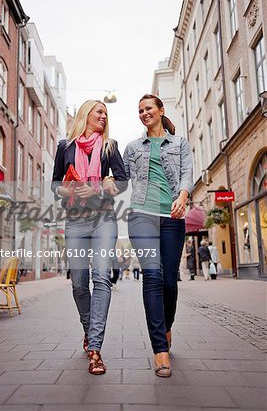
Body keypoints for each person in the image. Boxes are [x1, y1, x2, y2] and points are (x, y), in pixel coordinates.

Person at [51, 99, 127, 375]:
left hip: (104, 219)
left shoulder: (110, 146)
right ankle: (89, 330)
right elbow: (55, 183)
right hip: (75, 221)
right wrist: (70, 190)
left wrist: (99, 189)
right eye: (99, 112)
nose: (104, 117)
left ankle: (95, 349)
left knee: (102, 278)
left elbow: (122, 179)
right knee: (79, 285)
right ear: (85, 115)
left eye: (106, 113)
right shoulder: (65, 147)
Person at [123, 94, 193, 377]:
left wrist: (183, 197)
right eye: (139, 110)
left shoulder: (179, 143)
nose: (143, 113)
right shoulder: (132, 147)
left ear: (161, 110)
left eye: (148, 108)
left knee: (168, 281)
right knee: (152, 275)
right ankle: (159, 349)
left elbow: (187, 173)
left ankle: (166, 327)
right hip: (141, 215)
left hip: (172, 217)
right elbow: (119, 180)